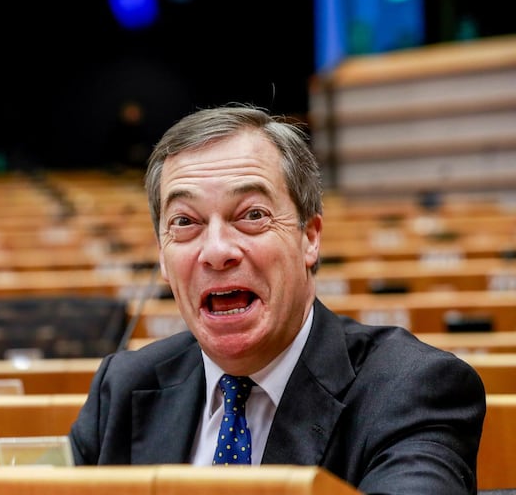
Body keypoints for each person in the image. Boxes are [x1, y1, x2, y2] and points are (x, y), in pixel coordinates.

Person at [69, 103, 486, 494]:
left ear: (309, 237)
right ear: (161, 255)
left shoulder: (413, 387)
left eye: (252, 215)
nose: (216, 251)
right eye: (184, 222)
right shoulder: (122, 386)